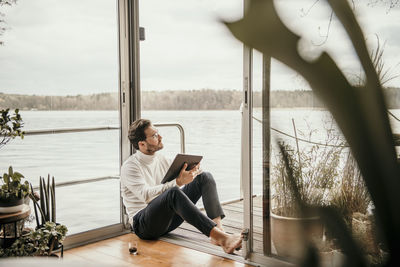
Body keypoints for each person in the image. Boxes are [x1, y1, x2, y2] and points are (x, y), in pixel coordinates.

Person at [121, 119, 243, 254]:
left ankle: (219, 232)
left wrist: (193, 171)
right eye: (154, 136)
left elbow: (186, 178)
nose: (160, 137)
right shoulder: (130, 167)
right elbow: (146, 196)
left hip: (167, 221)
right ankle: (222, 239)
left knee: (205, 177)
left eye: (158, 133)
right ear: (142, 144)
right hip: (144, 225)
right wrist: (178, 182)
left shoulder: (161, 159)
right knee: (173, 193)